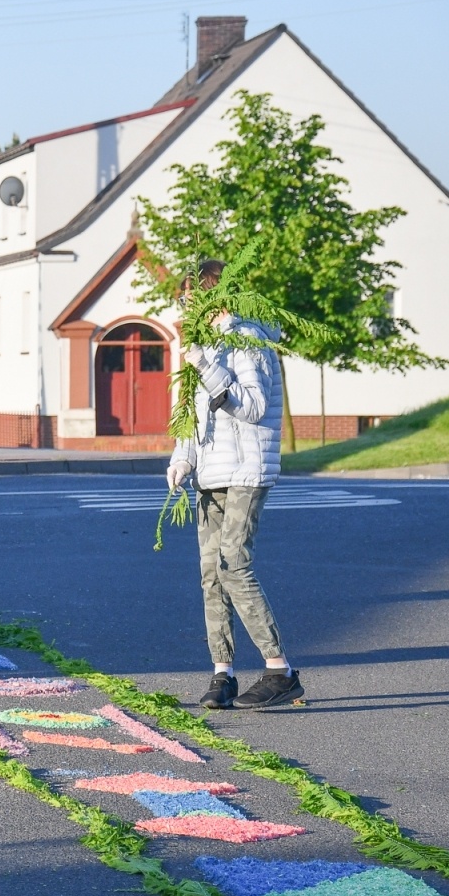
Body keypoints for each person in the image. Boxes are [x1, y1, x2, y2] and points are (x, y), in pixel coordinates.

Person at [167, 258, 303, 711]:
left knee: (234, 565)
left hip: (247, 470)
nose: (184, 307)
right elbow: (192, 413)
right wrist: (182, 455)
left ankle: (280, 670)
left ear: (212, 295)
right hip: (210, 473)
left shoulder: (247, 340)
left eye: (190, 298)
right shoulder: (201, 344)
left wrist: (206, 364)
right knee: (211, 575)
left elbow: (252, 406)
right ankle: (221, 673)